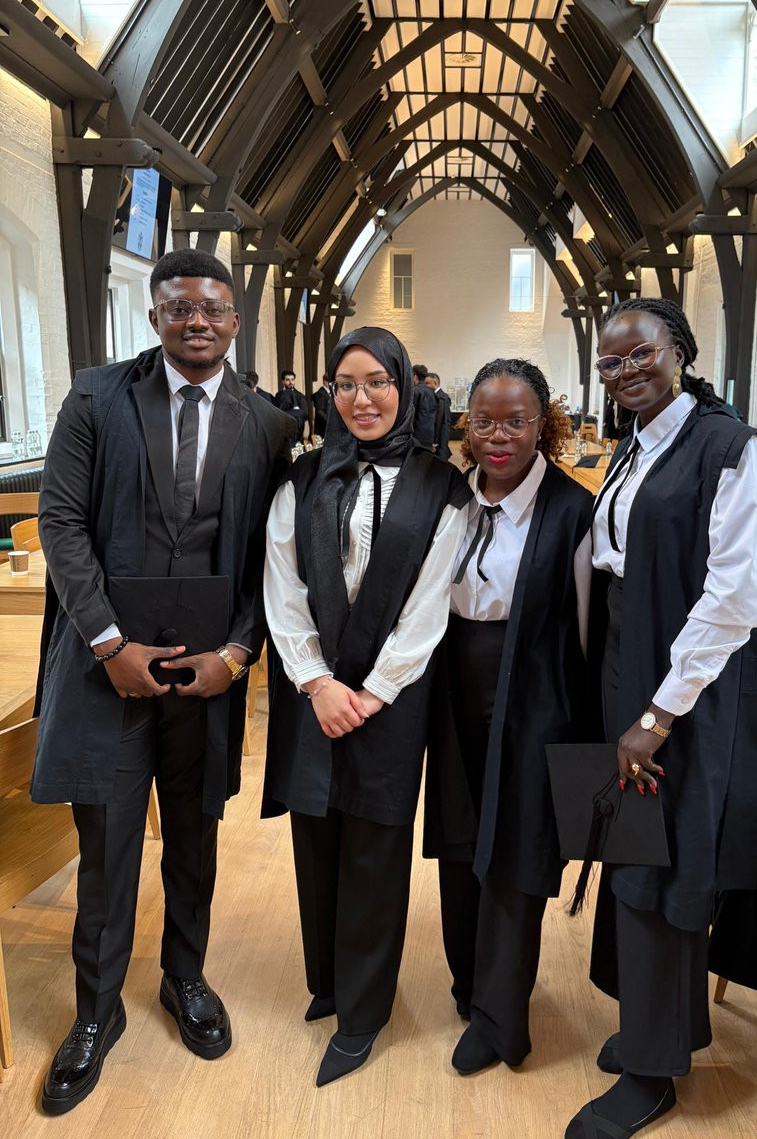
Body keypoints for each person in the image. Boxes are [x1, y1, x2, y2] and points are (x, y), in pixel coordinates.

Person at [33, 248, 294, 1115]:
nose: (197, 321)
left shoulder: (266, 423)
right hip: (108, 666)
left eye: (213, 308)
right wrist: (109, 642)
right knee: (107, 843)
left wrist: (240, 653)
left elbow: (269, 556)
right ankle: (95, 1012)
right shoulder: (96, 399)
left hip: (207, 670)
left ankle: (186, 975)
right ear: (154, 317)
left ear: (235, 321)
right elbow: (61, 521)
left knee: (192, 832)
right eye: (180, 308)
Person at [565, 298, 757, 1139]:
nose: (626, 371)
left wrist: (659, 713)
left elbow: (736, 597)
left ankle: (655, 1073)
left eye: (642, 354)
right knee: (631, 845)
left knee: (665, 864)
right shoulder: (637, 442)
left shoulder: (729, 449)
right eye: (610, 361)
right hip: (626, 656)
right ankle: (656, 1027)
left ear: (681, 353)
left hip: (682, 684)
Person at [262, 327, 471, 1087]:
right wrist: (316, 681)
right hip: (313, 691)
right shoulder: (303, 476)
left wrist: (376, 689)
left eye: (377, 382)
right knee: (315, 835)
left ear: (404, 387)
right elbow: (281, 584)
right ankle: (328, 982)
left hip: (393, 696)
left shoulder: (442, 484)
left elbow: (431, 601)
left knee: (376, 850)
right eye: (346, 384)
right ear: (329, 393)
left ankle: (364, 1012)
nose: (362, 398)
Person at [424, 358, 594, 1075]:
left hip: (534, 690)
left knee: (517, 848)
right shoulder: (447, 495)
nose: (499, 437)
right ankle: (469, 986)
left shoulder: (572, 508)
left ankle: (502, 1017)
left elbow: (588, 624)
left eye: (517, 422)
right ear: (468, 425)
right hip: (450, 682)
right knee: (460, 839)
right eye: (486, 422)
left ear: (543, 425)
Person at [275, 369, 309, 441]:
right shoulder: (278, 395)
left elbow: (305, 414)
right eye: (288, 380)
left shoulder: (300, 396)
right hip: (283, 430)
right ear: (283, 381)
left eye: (292, 380)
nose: (291, 382)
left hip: (298, 431)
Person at [426, 371, 452, 460]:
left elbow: (443, 422)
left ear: (435, 382)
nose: (425, 386)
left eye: (427, 383)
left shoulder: (442, 398)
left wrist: (436, 442)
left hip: (438, 443)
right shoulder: (434, 396)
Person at [412, 362, 437, 449]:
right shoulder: (432, 392)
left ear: (415, 376)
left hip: (416, 435)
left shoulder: (415, 391)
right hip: (430, 434)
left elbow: (411, 414)